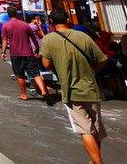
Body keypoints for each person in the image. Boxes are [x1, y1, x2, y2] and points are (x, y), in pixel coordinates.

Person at [40, 9, 109, 164]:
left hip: (70, 89)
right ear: (68, 20)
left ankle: (98, 162)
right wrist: (92, 71)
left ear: (52, 22)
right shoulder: (83, 36)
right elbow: (102, 58)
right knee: (95, 128)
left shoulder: (48, 39)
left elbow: (46, 63)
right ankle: (94, 160)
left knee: (85, 130)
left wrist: (59, 70)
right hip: (91, 87)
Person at [1, 5, 49, 101]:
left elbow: (5, 40)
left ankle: (24, 94)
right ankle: (43, 90)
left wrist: (3, 52)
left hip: (16, 54)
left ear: (8, 14)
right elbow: (34, 38)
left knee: (20, 75)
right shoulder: (25, 25)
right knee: (35, 73)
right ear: (16, 13)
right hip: (28, 53)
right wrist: (37, 49)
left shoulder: (6, 25)